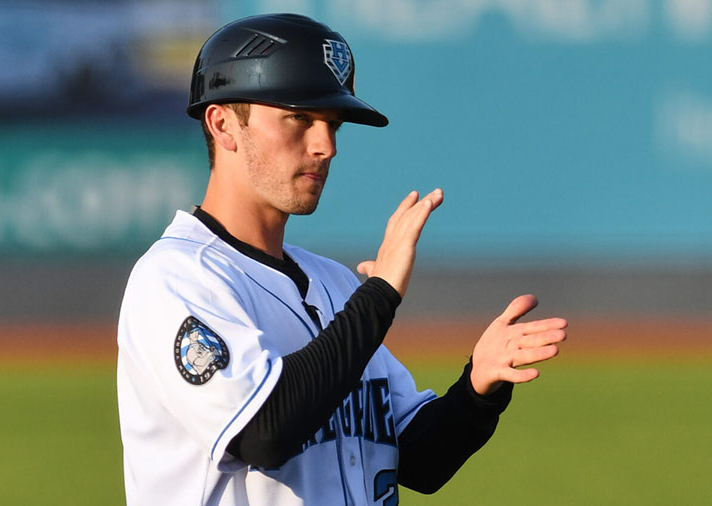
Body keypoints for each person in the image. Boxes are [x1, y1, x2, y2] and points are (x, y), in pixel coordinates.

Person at [116, 13, 567, 506]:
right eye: (299, 118)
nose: (325, 146)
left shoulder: (332, 284)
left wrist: (477, 389)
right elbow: (264, 432)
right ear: (223, 123)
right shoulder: (176, 279)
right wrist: (379, 299)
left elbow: (417, 458)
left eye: (332, 124)